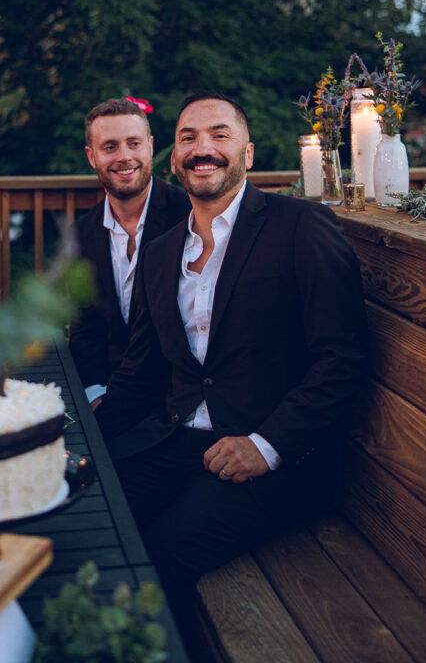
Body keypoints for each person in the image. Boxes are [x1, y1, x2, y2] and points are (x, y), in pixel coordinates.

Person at [95, 91, 368, 643]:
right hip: (177, 441)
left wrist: (265, 445)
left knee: (161, 551)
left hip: (278, 456)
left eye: (219, 135)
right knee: (92, 509)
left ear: (248, 153)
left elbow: (343, 359)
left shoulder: (302, 227)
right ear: (173, 159)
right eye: (189, 138)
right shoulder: (161, 250)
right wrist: (77, 433)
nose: (203, 149)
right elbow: (141, 371)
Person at [69, 97, 189, 407]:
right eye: (109, 147)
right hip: (110, 395)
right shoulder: (81, 235)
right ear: (92, 156)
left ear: (149, 146)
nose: (124, 157)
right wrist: (95, 394)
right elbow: (86, 329)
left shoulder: (189, 215)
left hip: (181, 399)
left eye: (133, 144)